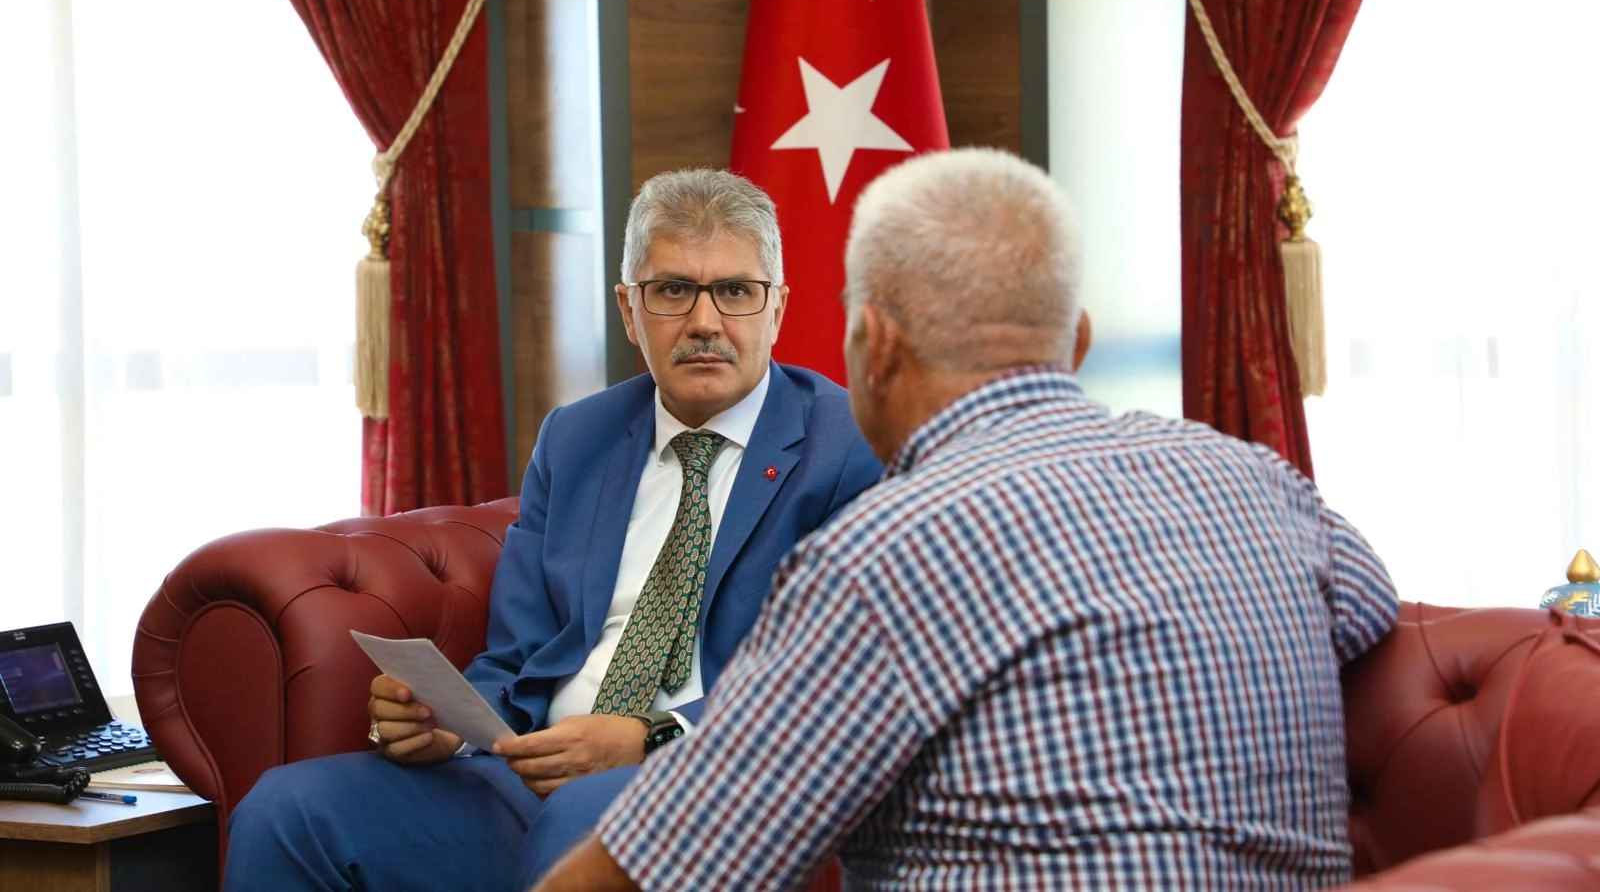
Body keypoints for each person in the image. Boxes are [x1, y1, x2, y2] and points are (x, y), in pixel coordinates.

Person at [536, 147, 1400, 891]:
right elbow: (1371, 607)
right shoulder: (1257, 479)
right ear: (1077, 341)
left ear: (875, 347)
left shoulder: (880, 557)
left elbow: (668, 860)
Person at [221, 168, 883, 891]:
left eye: (734, 291)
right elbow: (516, 656)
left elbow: (841, 677)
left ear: (776, 308)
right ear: (629, 311)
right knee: (287, 809)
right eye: (671, 291)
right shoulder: (577, 438)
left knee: (584, 819)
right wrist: (447, 724)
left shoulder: (849, 449)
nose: (704, 322)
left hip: (714, 782)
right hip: (530, 770)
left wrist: (650, 737)